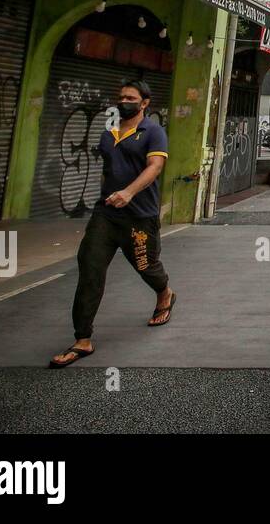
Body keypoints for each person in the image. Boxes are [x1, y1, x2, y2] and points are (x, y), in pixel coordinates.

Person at [49, 79, 176, 368]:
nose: (123, 102)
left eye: (130, 98)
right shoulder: (108, 134)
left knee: (146, 266)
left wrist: (130, 192)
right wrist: (108, 194)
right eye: (120, 97)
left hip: (140, 217)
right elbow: (107, 170)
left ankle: (165, 293)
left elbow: (154, 167)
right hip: (106, 214)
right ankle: (82, 339)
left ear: (144, 103)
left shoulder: (153, 132)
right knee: (89, 268)